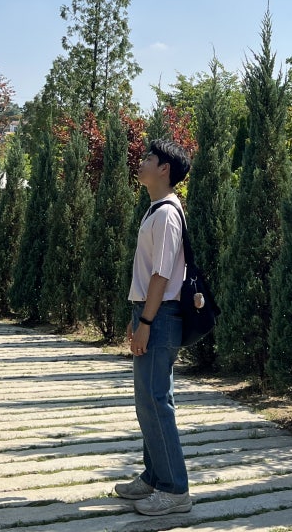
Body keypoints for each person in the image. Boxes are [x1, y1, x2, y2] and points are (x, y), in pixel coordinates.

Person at [114, 139, 192, 517]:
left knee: (154, 402)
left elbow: (161, 275)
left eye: (149, 157)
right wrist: (138, 317)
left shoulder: (167, 214)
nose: (141, 161)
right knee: (150, 400)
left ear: (165, 169)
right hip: (150, 313)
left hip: (159, 315)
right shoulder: (156, 209)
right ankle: (154, 477)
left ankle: (175, 490)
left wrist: (145, 321)